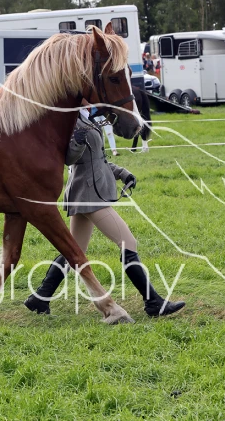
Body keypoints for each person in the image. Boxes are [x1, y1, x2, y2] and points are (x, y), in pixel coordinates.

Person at [24, 108, 185, 318]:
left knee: (74, 250)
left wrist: (122, 173)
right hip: (89, 194)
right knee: (128, 242)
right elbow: (69, 159)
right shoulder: (71, 120)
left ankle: (40, 298)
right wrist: (77, 142)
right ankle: (153, 303)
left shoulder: (88, 117)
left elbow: (99, 160)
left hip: (86, 192)